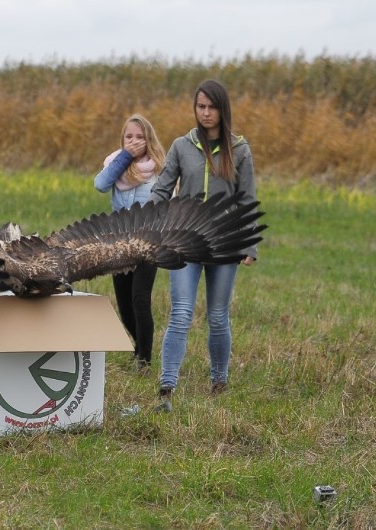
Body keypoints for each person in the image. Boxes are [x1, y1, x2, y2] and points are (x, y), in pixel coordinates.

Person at [149, 79, 259, 411]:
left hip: (225, 244)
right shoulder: (181, 146)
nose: (205, 113)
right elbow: (162, 190)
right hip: (186, 242)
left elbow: (247, 199)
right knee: (180, 314)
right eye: (200, 106)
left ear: (222, 110)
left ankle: (219, 381)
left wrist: (249, 246)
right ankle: (167, 388)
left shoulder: (239, 149)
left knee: (218, 316)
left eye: (211, 107)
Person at [94, 114, 166, 369]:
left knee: (139, 299)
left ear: (149, 140)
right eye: (129, 137)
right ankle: (137, 347)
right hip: (119, 243)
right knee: (124, 304)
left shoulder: (159, 169)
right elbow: (100, 184)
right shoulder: (115, 165)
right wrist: (125, 156)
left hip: (148, 244)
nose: (134, 141)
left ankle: (144, 358)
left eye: (140, 137)